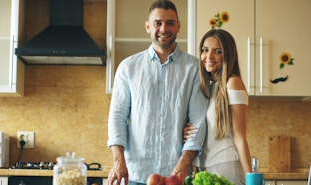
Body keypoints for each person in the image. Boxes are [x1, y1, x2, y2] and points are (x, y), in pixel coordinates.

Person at [107, 0, 210, 185]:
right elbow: (117, 116)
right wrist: (118, 161)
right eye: (158, 23)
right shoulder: (128, 67)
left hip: (175, 176)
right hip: (134, 174)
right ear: (148, 26)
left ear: (178, 26)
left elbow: (198, 120)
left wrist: (184, 163)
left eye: (170, 23)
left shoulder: (194, 68)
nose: (164, 28)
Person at [183, 29, 252, 185]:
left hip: (226, 166)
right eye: (205, 50)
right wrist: (190, 130)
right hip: (203, 168)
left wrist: (251, 178)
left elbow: (240, 137)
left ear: (227, 55)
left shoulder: (232, 83)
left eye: (218, 51)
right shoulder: (208, 87)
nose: (209, 57)